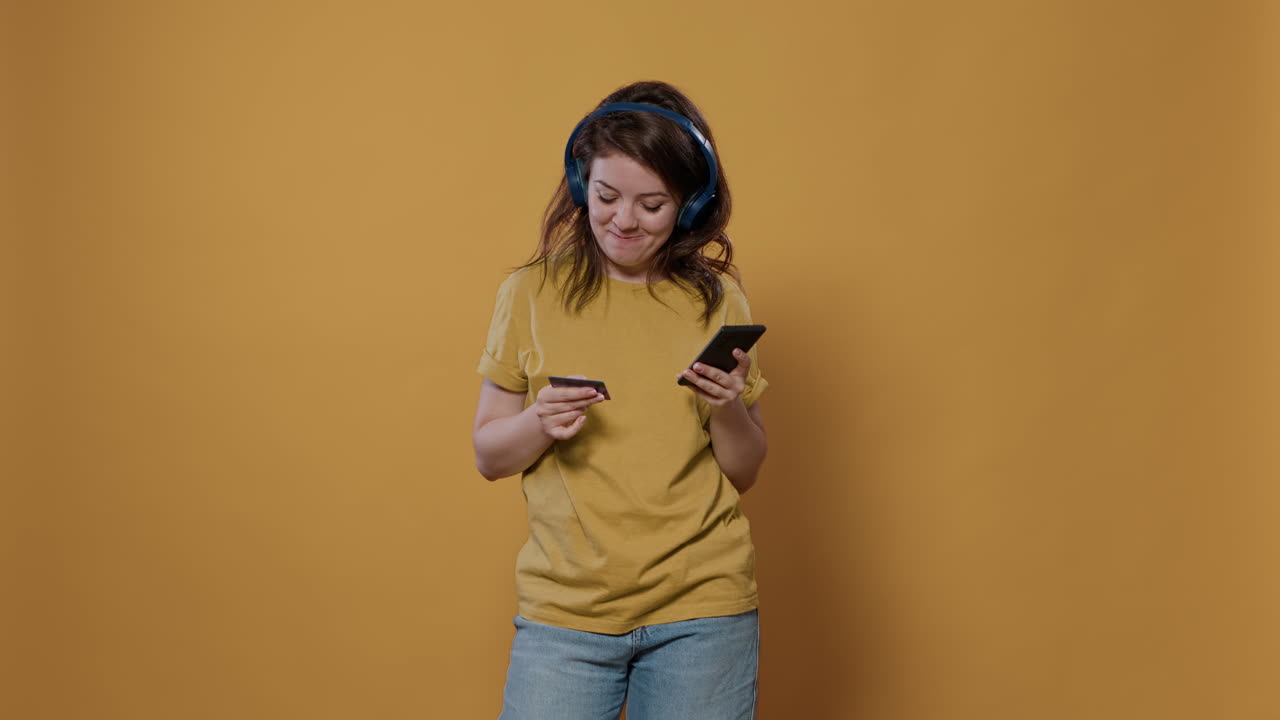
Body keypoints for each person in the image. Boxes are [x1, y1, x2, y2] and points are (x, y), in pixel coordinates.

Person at [472, 80, 769, 720]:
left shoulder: (719, 303)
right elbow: (490, 455)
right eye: (606, 196)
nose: (623, 220)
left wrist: (727, 406)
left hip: (703, 608)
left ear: (689, 208)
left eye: (653, 204)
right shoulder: (528, 294)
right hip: (567, 613)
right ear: (582, 185)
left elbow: (744, 470)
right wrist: (538, 423)